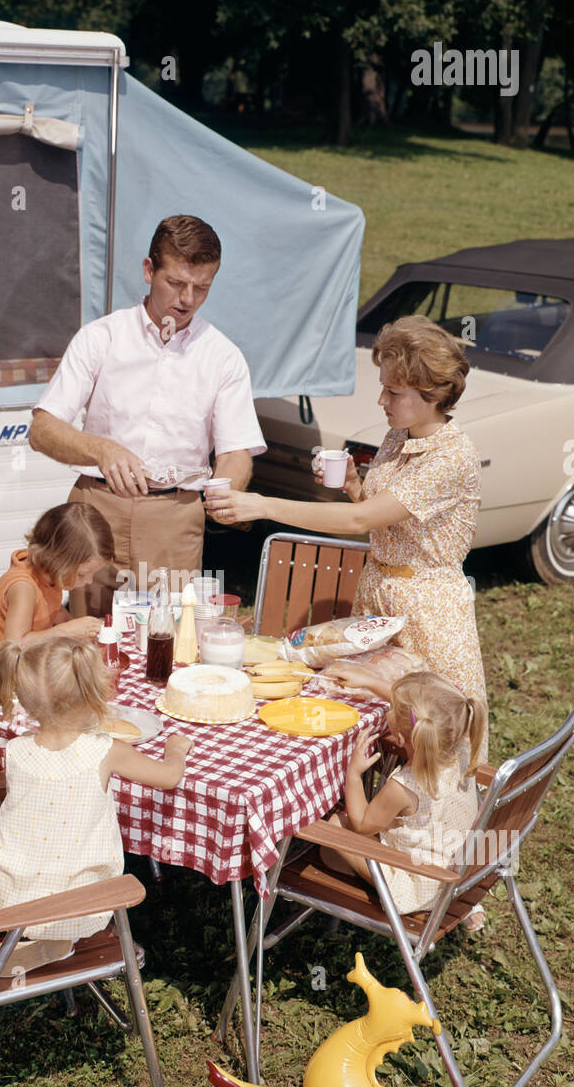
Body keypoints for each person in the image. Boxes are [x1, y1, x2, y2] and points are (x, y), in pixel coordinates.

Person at [203, 314, 489, 758]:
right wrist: (355, 484)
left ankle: (432, 828)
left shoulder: (451, 458)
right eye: (383, 387)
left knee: (430, 743)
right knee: (373, 725)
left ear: (430, 394)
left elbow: (360, 523)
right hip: (380, 596)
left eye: (393, 391)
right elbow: (381, 517)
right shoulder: (400, 436)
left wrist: (262, 505)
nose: (381, 400)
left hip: (428, 614)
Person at [28, 214, 266, 612]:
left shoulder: (223, 356)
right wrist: (102, 450)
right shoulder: (102, 337)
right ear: (148, 270)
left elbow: (236, 451)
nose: (187, 299)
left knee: (166, 641)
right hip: (95, 511)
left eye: (202, 287)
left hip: (174, 517)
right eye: (176, 283)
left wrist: (227, 489)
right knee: (86, 635)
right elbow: (43, 429)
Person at [0, 638, 192, 979]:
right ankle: (55, 940)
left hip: (6, 893)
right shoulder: (106, 750)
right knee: (75, 899)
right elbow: (168, 777)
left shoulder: (15, 750)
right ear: (94, 696)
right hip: (81, 908)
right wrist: (176, 749)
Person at [323, 671, 486, 927]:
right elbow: (422, 713)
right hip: (459, 867)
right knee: (334, 851)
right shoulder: (460, 747)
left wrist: (354, 774)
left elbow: (360, 825)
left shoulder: (404, 786)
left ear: (398, 736)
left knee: (334, 827)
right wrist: (368, 680)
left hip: (419, 884)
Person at [0, 503, 113, 661]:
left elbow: (55, 612)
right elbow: (14, 644)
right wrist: (64, 631)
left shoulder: (49, 577)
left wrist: (82, 629)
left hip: (10, 665)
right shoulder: (23, 587)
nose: (88, 581)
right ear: (58, 560)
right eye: (82, 574)